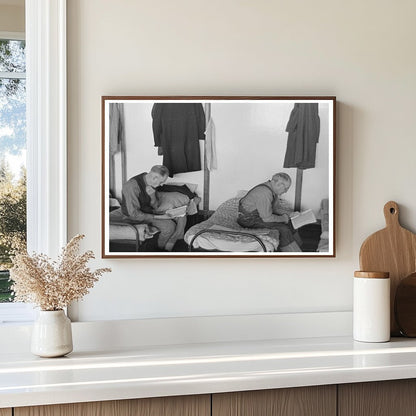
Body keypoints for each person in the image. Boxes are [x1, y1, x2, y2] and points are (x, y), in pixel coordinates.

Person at [120, 165, 183, 251]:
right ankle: (158, 250)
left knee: (181, 217)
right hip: (134, 217)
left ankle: (169, 244)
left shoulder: (150, 181)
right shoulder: (131, 186)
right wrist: (160, 217)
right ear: (154, 178)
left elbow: (155, 206)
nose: (161, 184)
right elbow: (133, 214)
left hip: (148, 211)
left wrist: (152, 196)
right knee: (169, 227)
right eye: (161, 182)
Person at [237, 172, 302, 252]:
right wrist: (284, 218)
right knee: (283, 229)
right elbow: (267, 218)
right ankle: (294, 255)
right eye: (286, 188)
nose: (286, 191)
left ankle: (298, 248)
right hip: (248, 219)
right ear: (278, 185)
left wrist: (290, 214)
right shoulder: (264, 193)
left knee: (291, 222)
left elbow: (275, 209)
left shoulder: (272, 189)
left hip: (259, 215)